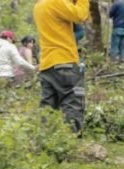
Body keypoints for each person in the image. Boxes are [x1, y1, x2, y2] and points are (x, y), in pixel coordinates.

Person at [33, 0, 90, 134]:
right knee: (72, 101)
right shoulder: (56, 2)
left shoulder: (38, 6)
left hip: (47, 64)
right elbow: (79, 15)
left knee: (48, 107)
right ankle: (71, 139)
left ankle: (45, 139)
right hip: (64, 60)